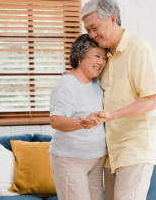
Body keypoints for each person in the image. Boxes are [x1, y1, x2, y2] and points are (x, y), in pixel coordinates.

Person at [79, 0, 156, 200]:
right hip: (112, 150)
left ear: (113, 19)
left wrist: (112, 115)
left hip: (136, 147)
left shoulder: (139, 49)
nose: (92, 35)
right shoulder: (103, 56)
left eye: (95, 27)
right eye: (88, 30)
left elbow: (150, 100)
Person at [49, 34, 107, 200]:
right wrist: (82, 123)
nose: (101, 62)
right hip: (71, 160)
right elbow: (56, 120)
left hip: (95, 160)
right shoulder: (66, 84)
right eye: (97, 55)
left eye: (104, 57)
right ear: (80, 55)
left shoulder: (96, 81)